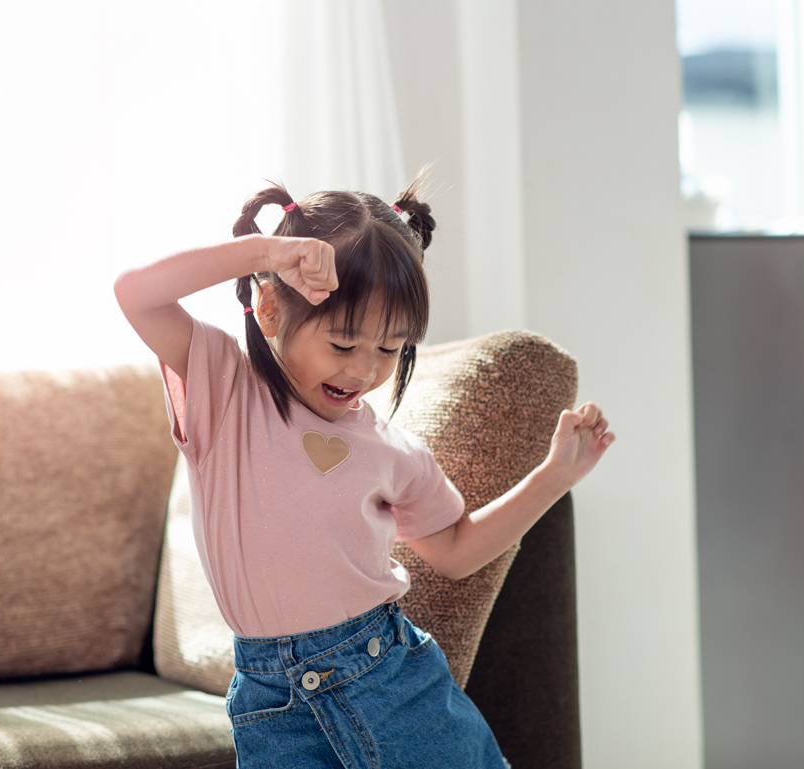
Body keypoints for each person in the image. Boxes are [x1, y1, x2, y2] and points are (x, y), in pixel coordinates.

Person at [114, 176, 614, 769]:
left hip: (393, 680)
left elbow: (455, 549)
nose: (365, 370)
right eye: (344, 344)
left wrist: (554, 476)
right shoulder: (225, 390)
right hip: (273, 703)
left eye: (390, 349)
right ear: (271, 310)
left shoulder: (393, 451)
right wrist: (268, 255)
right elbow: (136, 292)